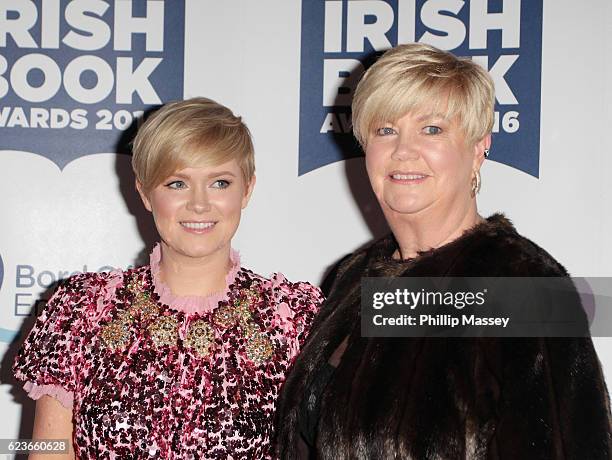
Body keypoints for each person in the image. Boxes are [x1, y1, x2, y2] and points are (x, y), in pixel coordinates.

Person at [276, 44, 612, 459]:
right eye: (385, 129)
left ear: (477, 148)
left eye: (432, 129)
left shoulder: (521, 283)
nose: (403, 150)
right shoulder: (352, 277)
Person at [13, 97, 323, 459]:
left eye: (220, 183)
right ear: (145, 193)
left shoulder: (296, 318)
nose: (199, 204)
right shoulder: (80, 309)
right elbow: (49, 451)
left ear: (248, 189)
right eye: (177, 184)